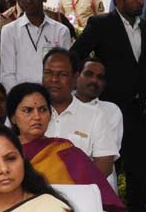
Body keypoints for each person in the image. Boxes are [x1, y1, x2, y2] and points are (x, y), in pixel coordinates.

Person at [71, 0, 146, 212]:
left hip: (137, 111)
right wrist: (90, 84)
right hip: (106, 111)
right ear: (119, 0)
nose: (140, 2)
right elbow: (76, 54)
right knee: (106, 169)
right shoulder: (101, 24)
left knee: (137, 172)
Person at [8, 82, 124, 212]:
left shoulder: (66, 152)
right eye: (28, 110)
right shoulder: (2, 152)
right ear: (13, 118)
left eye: (43, 109)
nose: (37, 116)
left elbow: (89, 195)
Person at [43, 48, 118, 176]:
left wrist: (72, 187)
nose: (54, 79)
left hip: (79, 192)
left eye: (62, 74)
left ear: (75, 78)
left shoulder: (95, 116)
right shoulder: (27, 111)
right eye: (48, 72)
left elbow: (105, 164)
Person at [74, 56, 124, 212]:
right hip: (62, 182)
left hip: (99, 180)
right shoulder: (59, 106)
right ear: (77, 76)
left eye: (100, 77)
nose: (94, 80)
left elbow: (104, 158)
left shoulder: (111, 111)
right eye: (89, 74)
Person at [0, 0, 72, 90]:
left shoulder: (60, 31)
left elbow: (65, 70)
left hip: (52, 97)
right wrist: (22, 97)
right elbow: (7, 74)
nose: (29, 0)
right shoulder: (9, 31)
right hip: (21, 98)